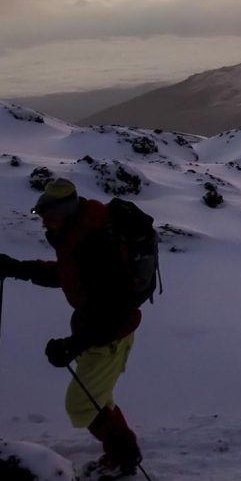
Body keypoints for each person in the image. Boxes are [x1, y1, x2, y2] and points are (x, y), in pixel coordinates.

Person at [0, 179, 142, 478]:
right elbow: (69, 275)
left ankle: (123, 457)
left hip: (110, 335)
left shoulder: (94, 243)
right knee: (97, 397)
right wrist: (19, 268)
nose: (44, 224)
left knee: (81, 404)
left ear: (66, 212)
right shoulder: (76, 234)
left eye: (49, 217)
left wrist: (74, 345)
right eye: (42, 217)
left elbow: (112, 306)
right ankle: (123, 454)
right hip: (96, 331)